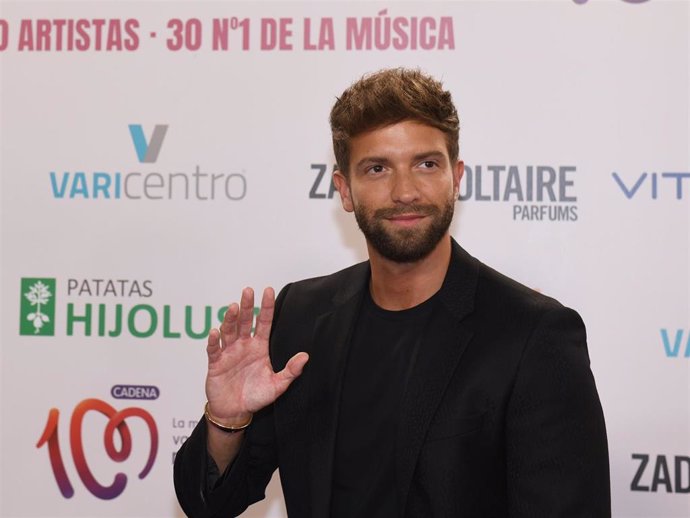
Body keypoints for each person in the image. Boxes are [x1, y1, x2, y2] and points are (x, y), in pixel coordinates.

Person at [174, 68, 611, 517]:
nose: (405, 192)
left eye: (426, 164)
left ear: (456, 177)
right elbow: (211, 504)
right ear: (345, 189)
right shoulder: (301, 315)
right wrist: (227, 421)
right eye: (377, 168)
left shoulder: (533, 335)